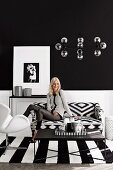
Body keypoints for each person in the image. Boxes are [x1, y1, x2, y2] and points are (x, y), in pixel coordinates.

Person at [24, 77, 73, 141]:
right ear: (51, 85)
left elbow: (65, 105)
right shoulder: (49, 94)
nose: (56, 85)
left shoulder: (61, 92)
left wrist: (71, 115)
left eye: (57, 84)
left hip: (58, 116)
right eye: (54, 84)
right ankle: (22, 120)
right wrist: (52, 111)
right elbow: (48, 107)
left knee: (40, 110)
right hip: (51, 114)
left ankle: (36, 133)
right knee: (31, 106)